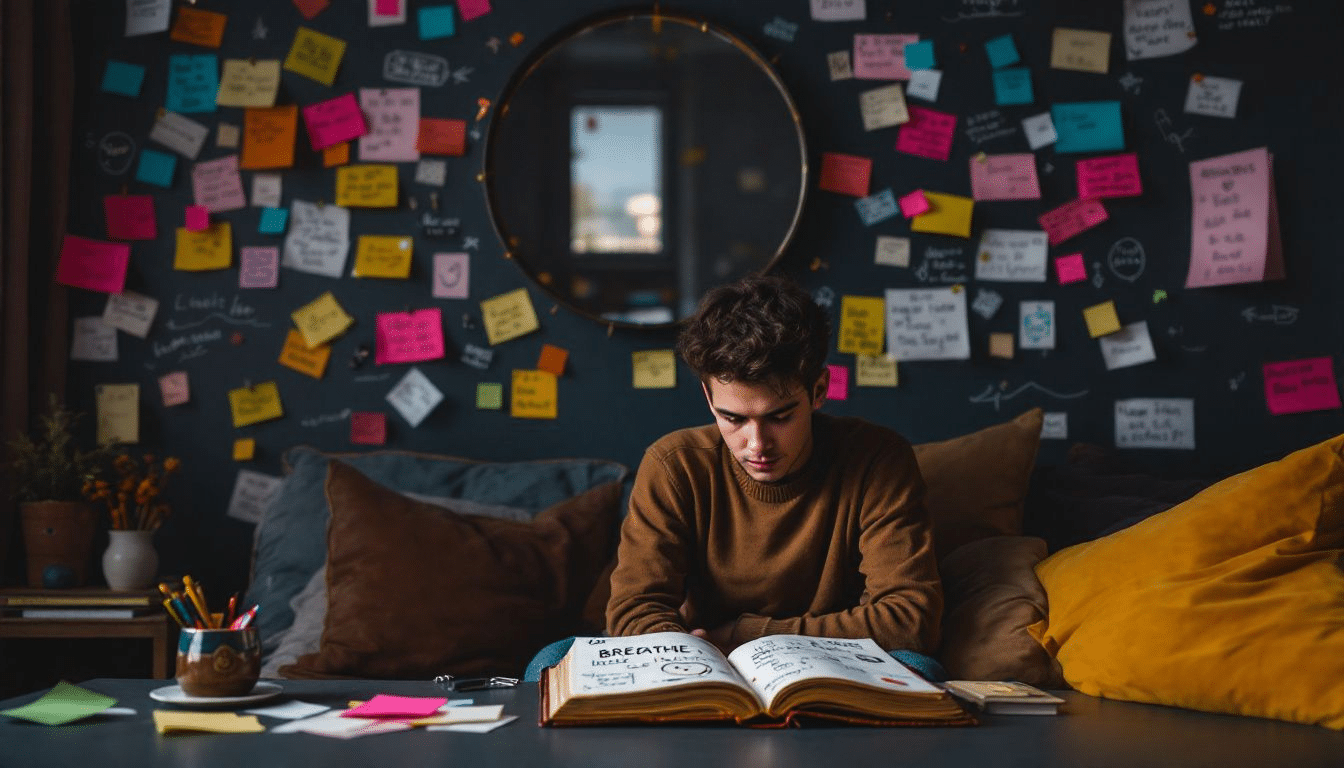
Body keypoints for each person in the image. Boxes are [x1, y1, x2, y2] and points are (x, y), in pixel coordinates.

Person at [602, 274, 944, 675]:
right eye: (733, 418)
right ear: (708, 397)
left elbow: (910, 620)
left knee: (918, 665)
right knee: (550, 662)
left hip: (832, 664)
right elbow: (632, 611)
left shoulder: (878, 459)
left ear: (819, 391)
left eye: (780, 417)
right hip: (704, 662)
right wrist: (684, 650)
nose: (757, 444)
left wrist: (743, 635)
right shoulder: (673, 464)